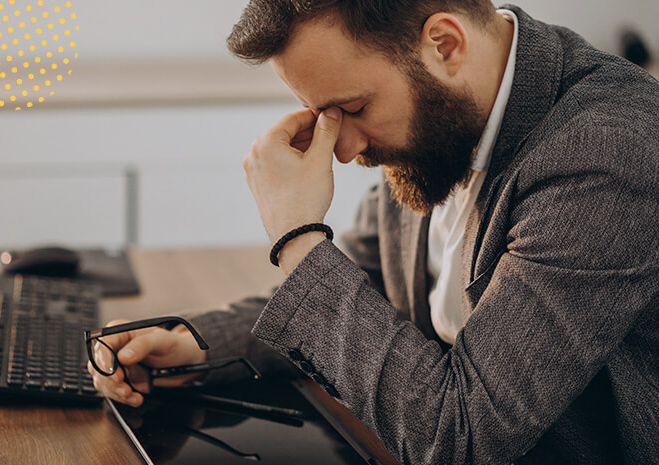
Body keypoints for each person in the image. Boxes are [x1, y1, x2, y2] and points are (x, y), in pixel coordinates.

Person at [88, 1, 659, 463]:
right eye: (323, 115)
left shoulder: (607, 151)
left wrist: (297, 237)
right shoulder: (442, 122)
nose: (344, 148)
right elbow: (362, 285)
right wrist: (195, 345)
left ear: (445, 44)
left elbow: (460, 437)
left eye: (352, 107)